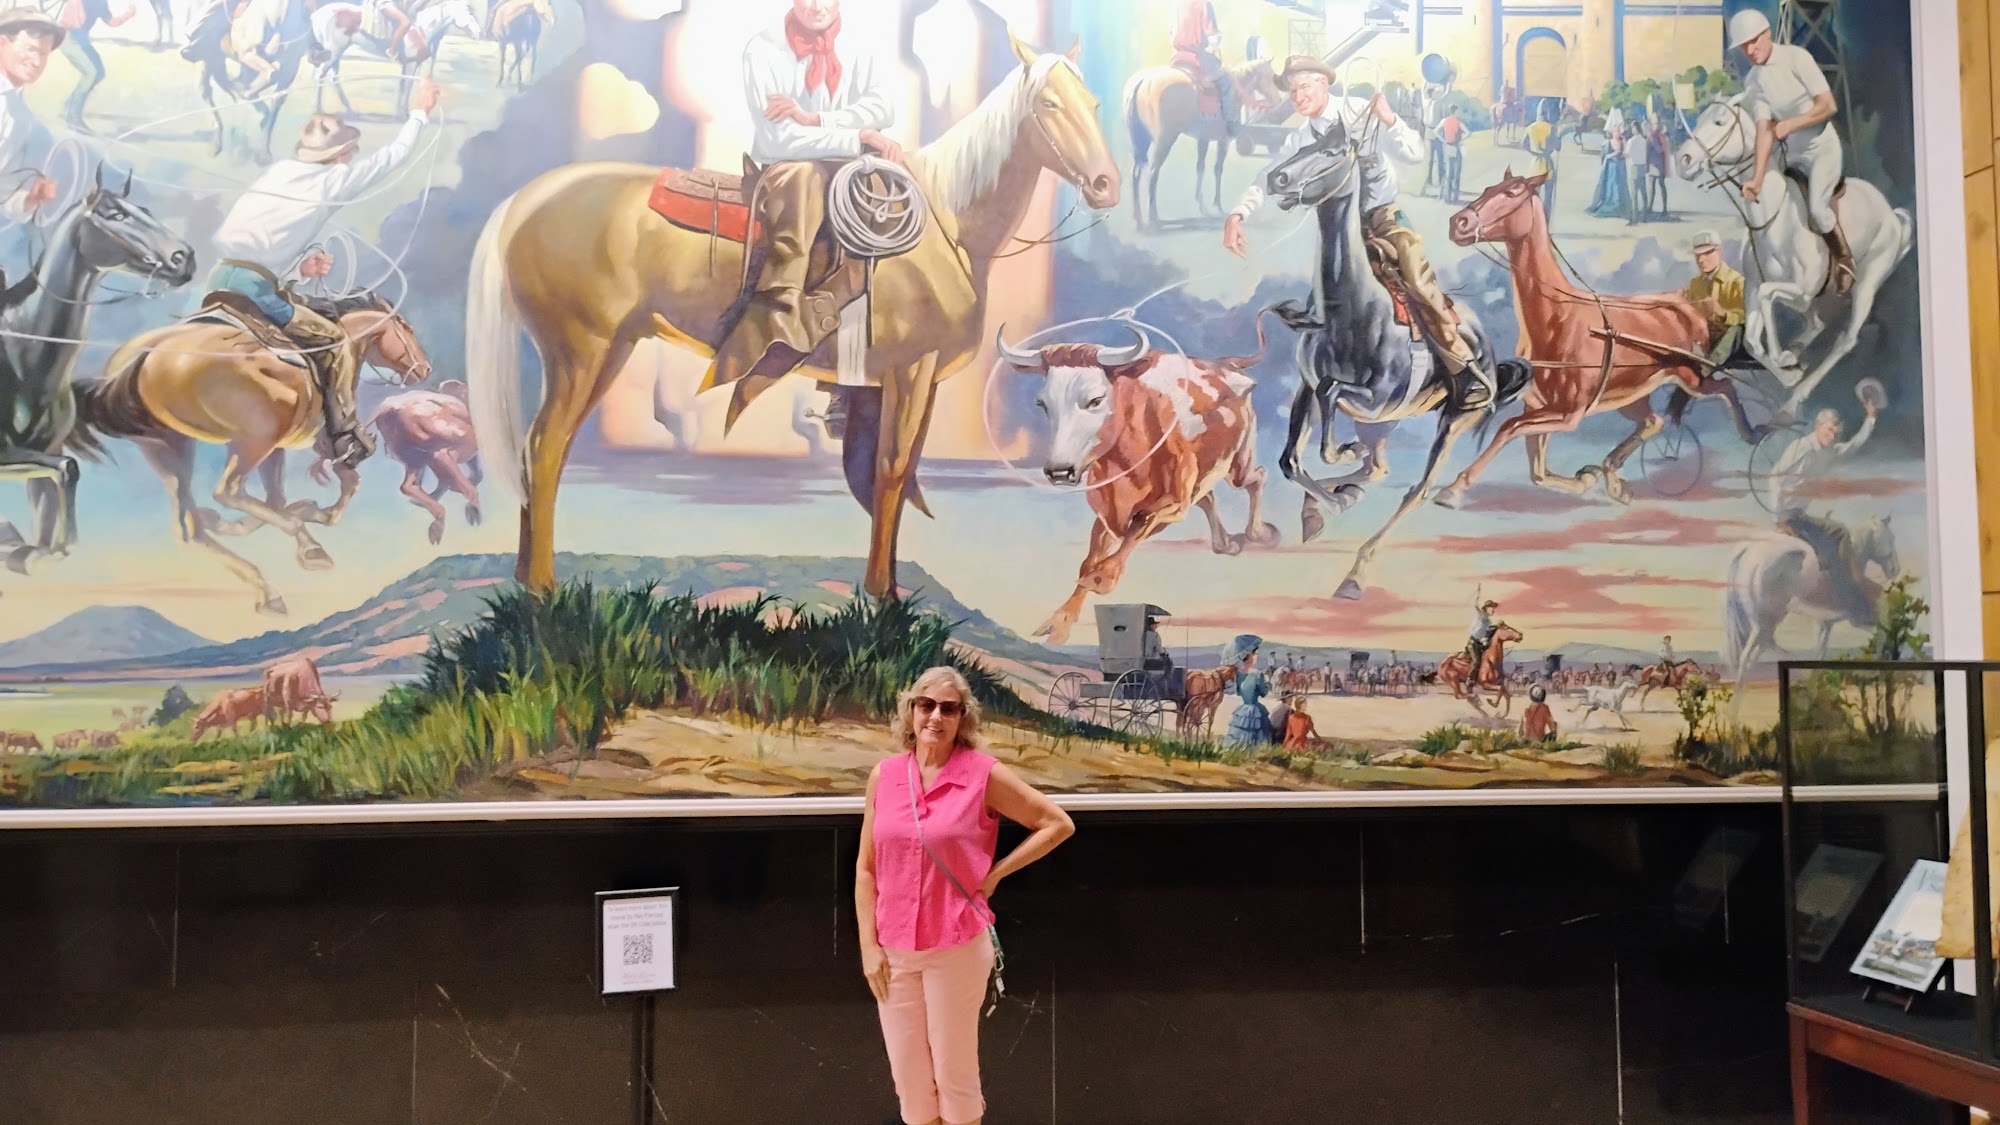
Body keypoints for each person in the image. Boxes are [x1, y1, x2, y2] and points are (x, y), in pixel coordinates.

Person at [857, 666, 1074, 1125]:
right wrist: (868, 948)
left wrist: (994, 876)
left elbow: (1057, 824)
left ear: (963, 718)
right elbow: (866, 868)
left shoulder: (982, 775)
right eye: (926, 705)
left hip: (955, 945)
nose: (935, 716)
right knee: (910, 1081)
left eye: (948, 708)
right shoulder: (885, 776)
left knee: (954, 1076)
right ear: (911, 711)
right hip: (894, 950)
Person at [1224, 55, 1493, 410]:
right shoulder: (1301, 137)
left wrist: (1390, 119)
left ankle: (1463, 368)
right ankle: (1316, 372)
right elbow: (1268, 176)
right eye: (1292, 91)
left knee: (1418, 281)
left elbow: (1414, 153)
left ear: (1323, 83)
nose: (1298, 97)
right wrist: (1238, 213)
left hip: (1382, 219)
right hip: (1336, 225)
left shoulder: (1360, 112)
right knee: (1323, 296)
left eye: (1304, 87)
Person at [204, 79, 442, 466]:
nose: (352, 157)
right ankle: (343, 433)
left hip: (222, 278)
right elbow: (391, 158)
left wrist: (298, 268)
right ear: (342, 154)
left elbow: (261, 238)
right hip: (256, 288)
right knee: (335, 340)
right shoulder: (333, 180)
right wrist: (420, 112)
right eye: (350, 152)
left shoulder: (280, 171)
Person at [705, 0, 901, 393]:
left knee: (889, 211)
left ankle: (857, 361)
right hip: (787, 166)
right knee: (805, 182)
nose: (816, 5)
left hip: (848, 165)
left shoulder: (860, 43)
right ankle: (779, 310)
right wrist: (857, 135)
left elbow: (883, 108)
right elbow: (781, 139)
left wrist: (816, 119)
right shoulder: (763, 50)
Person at [1730, 7, 1852, 294]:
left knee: (1817, 209)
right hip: (1791, 154)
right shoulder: (1754, 81)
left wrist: (1792, 124)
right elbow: (1764, 131)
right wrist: (1757, 179)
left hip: (1821, 150)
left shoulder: (1797, 58)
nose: (1750, 50)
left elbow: (1828, 106)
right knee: (1770, 199)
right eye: (1744, 46)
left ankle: (1845, 260)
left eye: (1754, 41)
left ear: (1767, 33)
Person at [0, 8, 65, 233]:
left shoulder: (22, 116)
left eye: (44, 54)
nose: (37, 62)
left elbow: (5, 196)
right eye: (30, 50)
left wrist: (30, 199)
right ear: (2, 43)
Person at [1767, 402, 1877, 517]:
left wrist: (1871, 417)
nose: (1832, 437)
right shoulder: (1802, 447)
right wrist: (1777, 518)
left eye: (1836, 433)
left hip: (1798, 514)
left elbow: (1854, 445)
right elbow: (1775, 478)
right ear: (1818, 426)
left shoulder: (1831, 452)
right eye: (1829, 430)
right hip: (1783, 513)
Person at [57, 0, 134, 133]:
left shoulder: (101, 3)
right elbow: (66, 22)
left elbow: (111, 22)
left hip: (82, 40)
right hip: (69, 39)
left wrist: (127, 14)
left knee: (99, 73)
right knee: (91, 73)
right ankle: (73, 117)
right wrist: (74, 10)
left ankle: (69, 105)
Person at [1171, 0, 1236, 133]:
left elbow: (1171, 32)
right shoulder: (1204, 4)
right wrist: (1217, 40)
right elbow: (1212, 37)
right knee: (1226, 81)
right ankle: (1229, 123)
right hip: (1198, 55)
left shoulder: (1179, 4)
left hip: (1179, 56)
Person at [1684, 230, 1745, 369]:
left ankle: (1707, 367)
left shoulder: (1736, 281)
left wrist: (1724, 315)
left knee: (1736, 329)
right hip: (1705, 338)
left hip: (1728, 340)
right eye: (1698, 255)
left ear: (1720, 252)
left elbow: (1747, 317)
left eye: (1707, 253)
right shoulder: (1695, 284)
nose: (1701, 260)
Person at [1221, 635, 1271, 745]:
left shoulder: (1238, 674)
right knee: (1258, 736)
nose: (1257, 655)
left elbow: (1239, 692)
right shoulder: (1257, 674)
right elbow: (1264, 692)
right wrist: (1267, 683)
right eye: (1255, 653)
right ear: (1250, 655)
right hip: (1255, 709)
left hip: (1243, 710)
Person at [1587, 117, 1626, 218]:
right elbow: (1605, 156)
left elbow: (1624, 154)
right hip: (1611, 168)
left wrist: (1622, 154)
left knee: (1619, 186)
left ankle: (1618, 205)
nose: (1617, 133)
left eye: (1618, 132)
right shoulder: (1608, 143)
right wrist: (1614, 154)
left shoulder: (1622, 143)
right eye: (1616, 132)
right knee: (1611, 185)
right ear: (1612, 133)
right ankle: (1610, 203)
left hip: (1619, 168)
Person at [1467, 587, 1500, 672]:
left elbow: (1490, 630)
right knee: (1476, 661)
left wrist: (1499, 626)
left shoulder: (1489, 622)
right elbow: (1475, 605)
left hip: (1480, 644)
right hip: (1473, 642)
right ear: (1486, 608)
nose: (1494, 610)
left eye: (1494, 608)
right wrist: (1478, 593)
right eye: (1492, 608)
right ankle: (1469, 678)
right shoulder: (1480, 614)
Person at [1625, 120, 1650, 222]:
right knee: (1643, 193)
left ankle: (1635, 218)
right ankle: (1644, 216)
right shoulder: (1644, 141)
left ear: (1634, 128)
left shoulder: (1631, 141)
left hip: (1634, 167)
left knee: (1634, 194)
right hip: (1642, 167)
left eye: (1632, 128)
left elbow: (1627, 154)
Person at [1646, 119, 1670, 219]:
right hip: (1653, 164)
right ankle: (1650, 207)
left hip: (1659, 164)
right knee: (1652, 187)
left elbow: (1661, 150)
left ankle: (1664, 208)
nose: (1656, 126)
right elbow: (1647, 151)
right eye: (1655, 124)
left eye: (1657, 124)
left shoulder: (1659, 136)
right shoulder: (1651, 136)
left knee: (1661, 186)